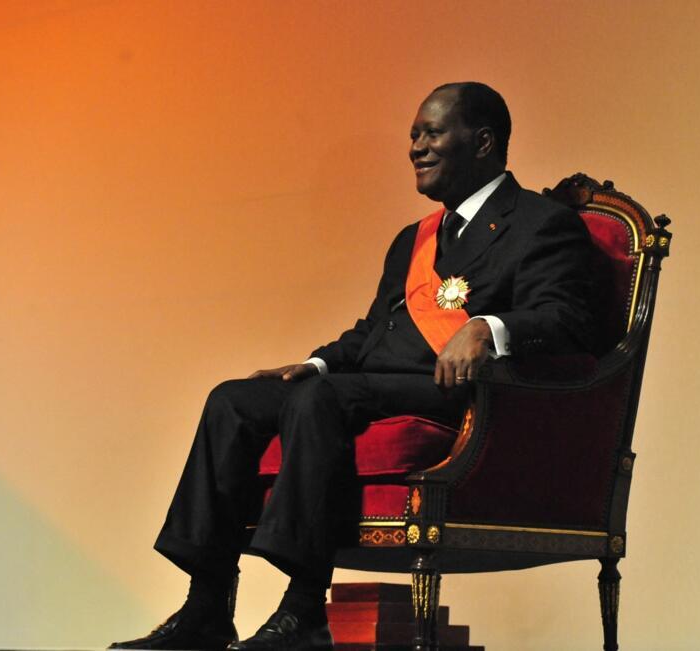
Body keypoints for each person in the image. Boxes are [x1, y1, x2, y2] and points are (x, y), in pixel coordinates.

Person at [110, 81, 605, 651]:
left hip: (457, 393)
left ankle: (303, 609)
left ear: (483, 142)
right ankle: (207, 606)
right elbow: (373, 332)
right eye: (413, 135)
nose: (416, 147)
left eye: (432, 133)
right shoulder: (414, 239)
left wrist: (487, 328)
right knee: (233, 401)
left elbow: (569, 321)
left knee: (319, 400)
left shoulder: (540, 223)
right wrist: (317, 363)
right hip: (370, 384)